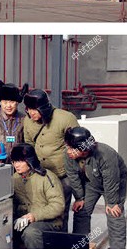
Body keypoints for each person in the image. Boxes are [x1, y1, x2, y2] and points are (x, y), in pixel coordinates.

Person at [23, 89, 78, 232]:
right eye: (28, 109)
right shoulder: (27, 121)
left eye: (34, 109)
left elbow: (77, 147)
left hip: (62, 176)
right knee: (41, 210)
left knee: (61, 212)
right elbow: (29, 145)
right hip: (40, 175)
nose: (31, 113)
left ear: (43, 107)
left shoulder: (66, 118)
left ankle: (61, 239)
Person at [64, 127, 127, 249]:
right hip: (92, 182)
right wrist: (79, 198)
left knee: (114, 213)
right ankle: (80, 245)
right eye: (68, 147)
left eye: (72, 148)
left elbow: (111, 179)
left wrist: (112, 202)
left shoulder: (105, 154)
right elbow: (72, 176)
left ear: (84, 149)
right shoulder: (69, 155)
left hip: (115, 182)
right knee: (81, 210)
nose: (68, 151)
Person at [11, 143, 65, 249]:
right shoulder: (14, 179)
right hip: (22, 220)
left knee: (31, 233)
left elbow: (58, 205)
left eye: (20, 161)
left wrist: (34, 216)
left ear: (30, 160)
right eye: (14, 161)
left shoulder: (47, 177)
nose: (16, 165)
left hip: (49, 222)